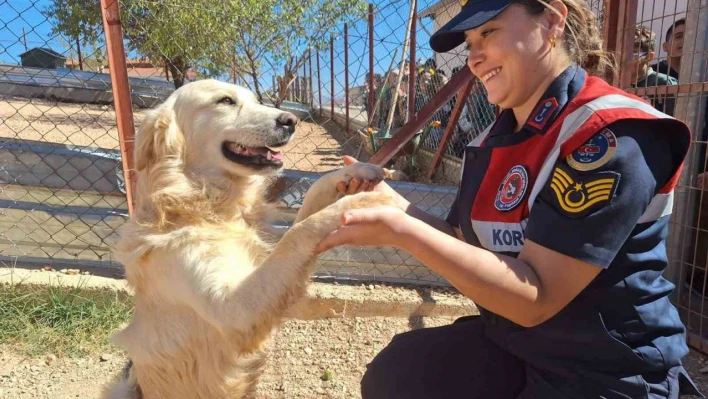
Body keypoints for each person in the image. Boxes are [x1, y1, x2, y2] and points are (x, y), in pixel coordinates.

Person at [315, 0, 704, 397]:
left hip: (604, 368)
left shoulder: (610, 132)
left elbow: (537, 297)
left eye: (488, 33)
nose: (474, 58)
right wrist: (393, 204)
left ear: (552, 21)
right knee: (402, 372)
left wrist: (400, 231)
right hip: (518, 344)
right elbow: (463, 240)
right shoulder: (491, 140)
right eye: (468, 43)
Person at [631, 25, 678, 115]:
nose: (625, 59)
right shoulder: (615, 82)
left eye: (633, 53)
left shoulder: (664, 82)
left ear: (649, 56)